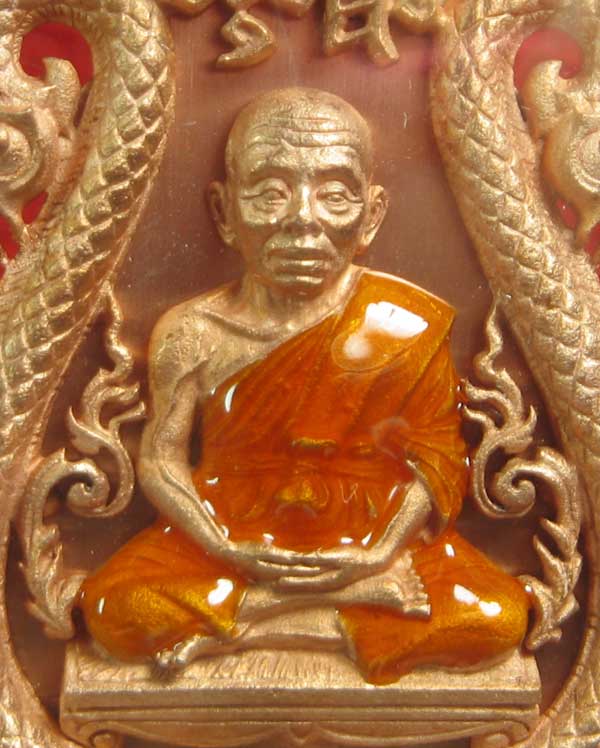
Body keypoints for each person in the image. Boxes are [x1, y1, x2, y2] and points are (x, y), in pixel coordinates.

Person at [79, 88, 530, 685]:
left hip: (372, 536)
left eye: (335, 195)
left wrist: (378, 553)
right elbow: (162, 458)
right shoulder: (191, 332)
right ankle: (330, 609)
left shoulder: (404, 325)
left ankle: (250, 623)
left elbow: (436, 459)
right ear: (223, 212)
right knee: (114, 608)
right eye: (269, 192)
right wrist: (223, 546)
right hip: (228, 537)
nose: (302, 219)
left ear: (371, 216)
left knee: (496, 616)